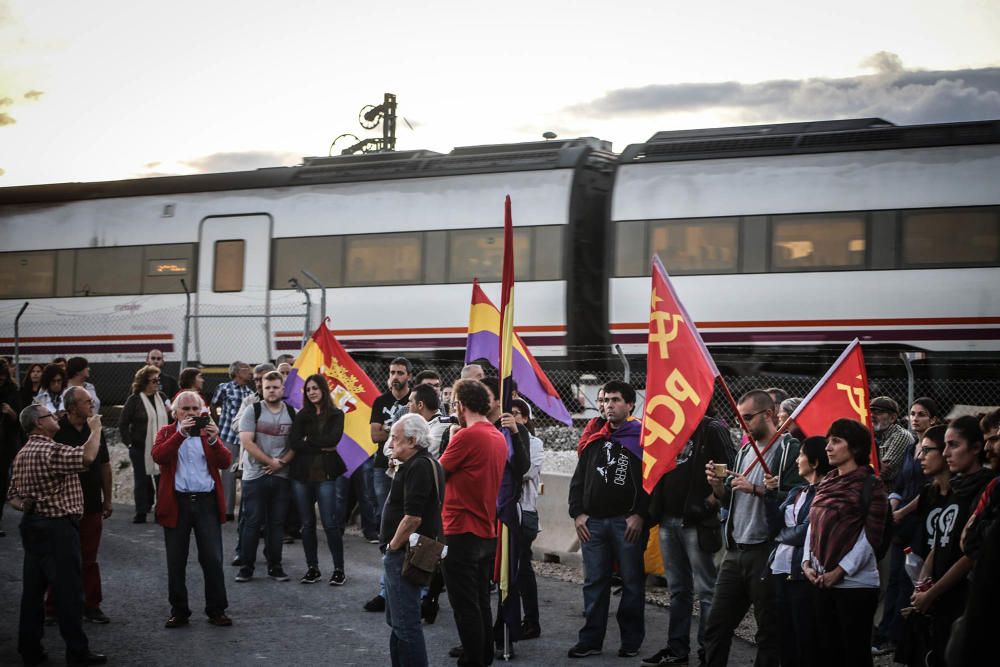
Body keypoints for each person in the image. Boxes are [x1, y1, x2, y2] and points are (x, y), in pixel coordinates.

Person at [702, 389, 802, 667]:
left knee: (769, 632)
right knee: (715, 626)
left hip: (766, 553)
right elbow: (732, 500)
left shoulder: (788, 451)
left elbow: (801, 501)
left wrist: (758, 489)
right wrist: (719, 488)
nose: (742, 424)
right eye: (740, 418)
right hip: (735, 551)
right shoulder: (745, 450)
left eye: (748, 418)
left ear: (769, 414)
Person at [7, 403, 108, 666]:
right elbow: (86, 457)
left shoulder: (23, 453)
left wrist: (27, 504)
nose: (56, 417)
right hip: (58, 528)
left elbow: (13, 497)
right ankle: (77, 651)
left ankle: (29, 648)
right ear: (38, 423)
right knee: (69, 593)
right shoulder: (50, 449)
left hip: (33, 526)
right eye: (50, 415)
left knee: (33, 592)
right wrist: (95, 429)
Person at [899, 417, 993, 667]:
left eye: (954, 445)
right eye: (945, 446)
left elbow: (972, 554)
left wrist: (933, 592)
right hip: (940, 600)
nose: (946, 452)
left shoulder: (984, 489)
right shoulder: (953, 489)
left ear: (976, 448)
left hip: (966, 597)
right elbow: (939, 543)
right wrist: (923, 588)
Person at [568, 380, 649, 659]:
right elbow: (579, 480)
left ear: (630, 405)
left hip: (626, 524)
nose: (608, 405)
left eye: (615, 400)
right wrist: (577, 513)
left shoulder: (642, 439)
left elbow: (653, 482)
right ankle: (590, 640)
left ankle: (630, 640)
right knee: (594, 583)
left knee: (632, 582)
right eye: (604, 401)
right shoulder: (595, 437)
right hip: (594, 525)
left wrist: (640, 515)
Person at [643, 415, 733, 666]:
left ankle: (709, 651)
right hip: (668, 520)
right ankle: (677, 648)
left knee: (706, 590)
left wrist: (711, 502)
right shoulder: (668, 423)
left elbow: (729, 467)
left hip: (697, 522)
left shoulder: (712, 428)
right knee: (678, 590)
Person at [801, 420, 887, 667]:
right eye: (828, 440)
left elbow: (870, 538)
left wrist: (839, 572)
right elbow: (814, 523)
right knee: (826, 652)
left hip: (855, 586)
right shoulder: (827, 481)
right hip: (820, 580)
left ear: (856, 449)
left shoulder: (872, 485)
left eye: (836, 441)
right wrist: (807, 562)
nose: (828, 447)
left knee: (853, 654)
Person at [439, 379, 508, 667]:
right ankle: (482, 655)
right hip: (484, 529)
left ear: (461, 405)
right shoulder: (496, 435)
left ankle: (474, 660)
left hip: (460, 528)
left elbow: (436, 472)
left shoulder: (467, 437)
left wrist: (453, 437)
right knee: (479, 600)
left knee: (464, 604)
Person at [150, 391, 233, 628]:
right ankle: (179, 610)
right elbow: (159, 456)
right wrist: (181, 434)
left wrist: (215, 441)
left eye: (195, 409)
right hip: (177, 502)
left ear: (202, 411)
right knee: (176, 561)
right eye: (185, 409)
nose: (191, 414)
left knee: (213, 559)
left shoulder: (208, 431)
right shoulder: (166, 432)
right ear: (175, 412)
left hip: (206, 502)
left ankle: (217, 610)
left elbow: (225, 462)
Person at [872, 397, 939, 655]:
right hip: (902, 522)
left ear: (933, 419)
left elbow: (930, 489)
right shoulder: (913, 448)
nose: (915, 418)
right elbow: (900, 485)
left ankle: (900, 637)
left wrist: (901, 511)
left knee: (910, 582)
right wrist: (893, 507)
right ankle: (887, 632)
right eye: (912, 413)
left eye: (921, 414)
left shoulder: (935, 448)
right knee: (895, 580)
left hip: (920, 521)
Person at [381, 413, 445, 667]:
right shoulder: (421, 463)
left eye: (395, 438)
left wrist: (392, 547)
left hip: (406, 553)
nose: (391, 443)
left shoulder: (420, 466)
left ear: (411, 440)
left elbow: (412, 518)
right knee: (397, 621)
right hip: (408, 551)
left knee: (406, 625)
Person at [761, 436, 830, 667]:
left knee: (805, 637)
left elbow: (807, 532)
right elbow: (773, 526)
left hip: (803, 574)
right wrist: (769, 497)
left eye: (801, 454)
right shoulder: (797, 492)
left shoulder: (826, 493)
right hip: (780, 569)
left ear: (815, 462)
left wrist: (782, 536)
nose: (797, 459)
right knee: (784, 636)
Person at [49, 387, 112, 625]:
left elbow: (105, 465)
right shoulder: (55, 430)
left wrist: (107, 499)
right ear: (72, 407)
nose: (92, 405)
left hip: (91, 504)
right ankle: (53, 606)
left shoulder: (94, 429)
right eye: (87, 402)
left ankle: (91, 605)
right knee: (59, 557)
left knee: (89, 558)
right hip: (61, 505)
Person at [363, 357, 413, 612]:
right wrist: (396, 433)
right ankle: (387, 589)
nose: (395, 376)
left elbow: (412, 435)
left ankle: (411, 588)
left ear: (409, 377)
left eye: (400, 373)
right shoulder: (380, 401)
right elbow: (374, 434)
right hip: (383, 468)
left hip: (406, 470)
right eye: (392, 372)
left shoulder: (413, 402)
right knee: (387, 524)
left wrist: (389, 431)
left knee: (408, 525)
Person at [235, 371, 295, 582]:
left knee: (276, 524)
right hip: (254, 476)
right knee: (252, 522)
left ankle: (275, 566)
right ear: (262, 388)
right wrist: (271, 463)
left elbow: (297, 444)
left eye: (275, 387)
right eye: (268, 387)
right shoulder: (253, 411)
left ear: (282, 389)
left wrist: (282, 463)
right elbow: (247, 442)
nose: (271, 391)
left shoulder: (292, 412)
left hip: (282, 476)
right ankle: (246, 567)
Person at [288, 374, 346, 585]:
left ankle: (339, 569)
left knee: (330, 523)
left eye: (315, 388)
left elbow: (333, 439)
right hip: (302, 477)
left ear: (323, 389)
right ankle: (313, 568)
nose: (311, 392)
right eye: (308, 389)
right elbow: (294, 443)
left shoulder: (337, 414)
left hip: (326, 476)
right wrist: (321, 445)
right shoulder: (302, 415)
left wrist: (308, 441)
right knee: (307, 524)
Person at [118, 364, 170, 524]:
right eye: (154, 380)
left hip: (160, 447)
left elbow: (171, 418)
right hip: (140, 447)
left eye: (158, 380)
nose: (157, 383)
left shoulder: (161, 397)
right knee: (141, 480)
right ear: (145, 382)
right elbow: (123, 423)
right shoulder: (134, 400)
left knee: (161, 480)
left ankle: (160, 512)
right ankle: (141, 512)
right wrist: (129, 444)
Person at [511, 398, 544, 641]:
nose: (512, 418)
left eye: (516, 414)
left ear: (525, 418)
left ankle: (531, 621)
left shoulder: (534, 443)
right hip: (504, 510)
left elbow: (525, 471)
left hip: (524, 511)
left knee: (522, 568)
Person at [211, 361, 253, 519]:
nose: (249, 371)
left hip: (244, 438)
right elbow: (214, 405)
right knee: (227, 475)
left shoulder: (249, 392)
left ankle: (245, 510)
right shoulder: (224, 388)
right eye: (246, 369)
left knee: (244, 473)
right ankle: (227, 511)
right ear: (236, 372)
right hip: (228, 435)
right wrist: (218, 423)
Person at [869, 396, 915, 488]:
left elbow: (884, 473)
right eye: (870, 411)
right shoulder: (873, 435)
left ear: (893, 418)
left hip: (893, 493)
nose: (872, 415)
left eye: (878, 412)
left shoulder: (902, 435)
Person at [0, 361, 21, 537]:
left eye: (3, 378)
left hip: (4, 444)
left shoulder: (12, 392)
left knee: (1, 484)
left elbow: (19, 420)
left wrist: (10, 412)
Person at [406, 383, 450, 458]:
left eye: (410, 401)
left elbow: (427, 454)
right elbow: (388, 447)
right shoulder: (414, 423)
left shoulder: (442, 426)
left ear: (420, 405)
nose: (407, 405)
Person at [576, 387, 606, 457]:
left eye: (606, 400)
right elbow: (581, 452)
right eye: (600, 400)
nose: (602, 404)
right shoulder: (594, 423)